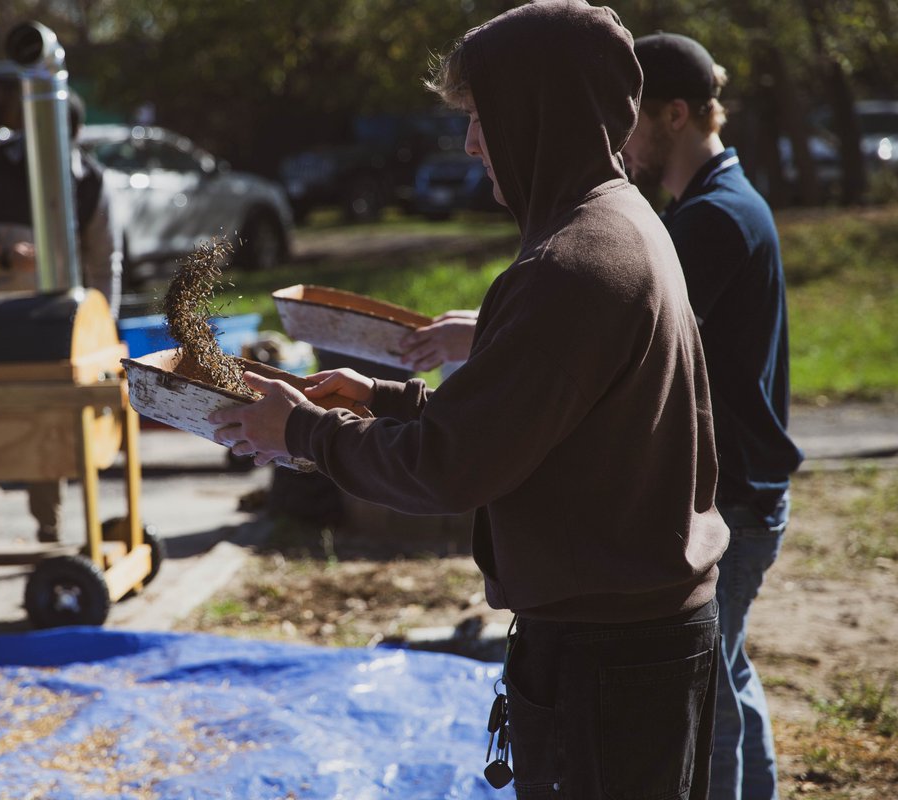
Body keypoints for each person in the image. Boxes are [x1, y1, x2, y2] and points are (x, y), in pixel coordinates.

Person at [211, 2, 729, 796]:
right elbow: (534, 427)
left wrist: (306, 433)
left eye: (483, 117)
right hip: (636, 646)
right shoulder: (619, 224)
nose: (471, 143)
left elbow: (452, 468)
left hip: (608, 663)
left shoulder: (573, 266)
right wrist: (380, 401)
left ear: (538, 113)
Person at [622, 33, 805, 800]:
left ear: (674, 115)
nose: (616, 137)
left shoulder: (713, 220)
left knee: (708, 703)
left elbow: (618, 325)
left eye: (626, 118)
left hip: (734, 500)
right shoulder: (720, 202)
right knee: (727, 676)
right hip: (752, 491)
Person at [0, 91, 121, 588]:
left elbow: (105, 264)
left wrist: (101, 333)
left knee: (49, 431)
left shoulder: (91, 183)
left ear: (73, 136)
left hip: (48, 327)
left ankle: (50, 541)